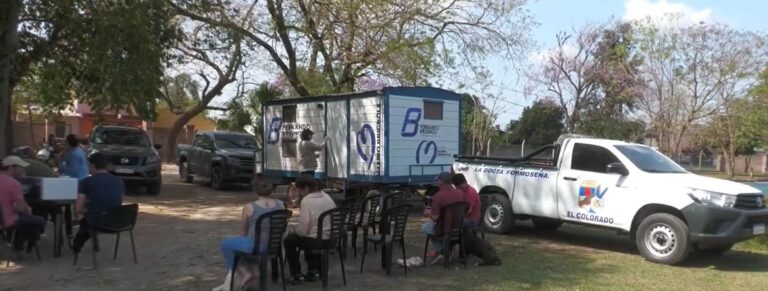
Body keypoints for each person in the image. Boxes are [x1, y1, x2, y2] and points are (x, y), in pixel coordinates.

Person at [213, 181, 285, 291]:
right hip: (274, 245)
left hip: (255, 245)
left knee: (226, 245)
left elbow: (243, 232)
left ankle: (244, 273)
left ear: (255, 191)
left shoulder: (249, 207)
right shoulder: (281, 205)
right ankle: (248, 275)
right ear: (272, 190)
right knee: (241, 247)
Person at [283, 174, 336, 285]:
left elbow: (303, 230)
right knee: (311, 234)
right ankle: (313, 270)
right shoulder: (327, 196)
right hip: (330, 239)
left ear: (306, 188)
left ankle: (296, 274)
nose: (299, 194)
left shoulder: (306, 201)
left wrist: (293, 229)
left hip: (316, 241)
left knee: (289, 240)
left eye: (299, 191)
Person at [72, 153, 125, 254]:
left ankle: (76, 248)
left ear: (92, 165)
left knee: (87, 220)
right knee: (95, 214)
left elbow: (78, 209)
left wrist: (83, 211)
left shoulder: (87, 182)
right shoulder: (119, 181)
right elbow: (119, 202)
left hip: (97, 222)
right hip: (117, 222)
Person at [0, 156, 45, 254]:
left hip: (3, 219)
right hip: (10, 220)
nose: (22, 170)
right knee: (39, 220)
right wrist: (27, 210)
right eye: (20, 167)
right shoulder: (13, 184)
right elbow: (21, 208)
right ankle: (23, 246)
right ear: (12, 167)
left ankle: (17, 244)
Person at [422, 172, 464, 264]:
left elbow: (435, 218)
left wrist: (428, 213)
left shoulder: (438, 196)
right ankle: (447, 248)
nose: (437, 183)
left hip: (444, 229)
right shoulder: (460, 193)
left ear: (441, 182)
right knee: (434, 227)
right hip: (458, 227)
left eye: (438, 181)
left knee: (425, 227)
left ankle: (443, 251)